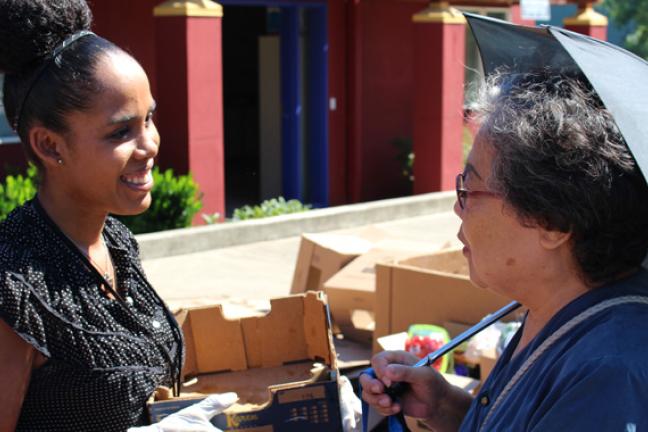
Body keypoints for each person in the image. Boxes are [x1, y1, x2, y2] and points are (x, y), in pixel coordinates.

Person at [360, 71, 648, 431]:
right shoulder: (552, 307)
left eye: (469, 189)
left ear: (551, 222)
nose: (458, 208)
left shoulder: (609, 378)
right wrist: (445, 406)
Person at [0, 1, 236, 430]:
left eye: (150, 118)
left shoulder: (116, 242)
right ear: (50, 146)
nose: (150, 145)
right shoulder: (11, 287)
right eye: (120, 131)